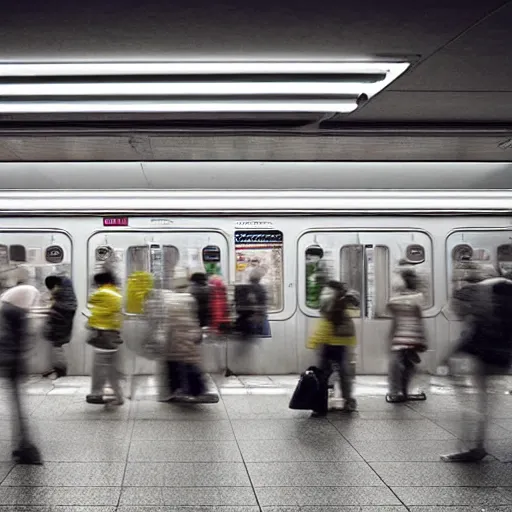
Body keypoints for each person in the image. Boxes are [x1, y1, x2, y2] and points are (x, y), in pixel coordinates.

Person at [441, 263, 512, 462]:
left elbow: (475, 328)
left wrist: (452, 354)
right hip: (503, 355)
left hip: (484, 353)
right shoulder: (504, 289)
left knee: (475, 402)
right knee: (485, 402)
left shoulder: (477, 292)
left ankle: (473, 447)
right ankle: (476, 445)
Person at [0, 266, 42, 464]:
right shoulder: (19, 315)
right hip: (13, 364)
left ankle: (24, 445)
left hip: (9, 363)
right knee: (17, 406)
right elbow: (22, 341)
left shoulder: (7, 313)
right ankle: (25, 446)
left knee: (17, 406)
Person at [307, 280, 359, 416]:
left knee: (323, 374)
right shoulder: (346, 299)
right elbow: (355, 308)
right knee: (344, 374)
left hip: (328, 342)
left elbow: (324, 321)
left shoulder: (329, 298)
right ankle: (348, 401)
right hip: (341, 342)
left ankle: (319, 406)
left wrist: (315, 341)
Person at [162, 267, 206, 401]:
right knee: (190, 364)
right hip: (187, 337)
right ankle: (197, 391)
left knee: (173, 365)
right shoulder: (189, 299)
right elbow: (194, 319)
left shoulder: (168, 299)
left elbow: (166, 321)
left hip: (173, 338)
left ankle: (175, 390)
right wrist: (197, 334)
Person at [386, 268, 427, 403]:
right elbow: (419, 318)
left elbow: (394, 317)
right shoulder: (418, 298)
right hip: (414, 336)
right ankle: (404, 390)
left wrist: (391, 337)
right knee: (408, 365)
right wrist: (423, 337)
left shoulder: (396, 299)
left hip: (400, 337)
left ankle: (396, 391)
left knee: (397, 365)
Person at [85, 268, 124, 406]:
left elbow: (95, 311)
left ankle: (97, 393)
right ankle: (117, 395)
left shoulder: (102, 293)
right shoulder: (116, 293)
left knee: (99, 367)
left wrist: (90, 322)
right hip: (114, 335)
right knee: (111, 368)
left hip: (103, 336)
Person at [42, 274, 77, 379]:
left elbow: (55, 308)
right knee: (56, 346)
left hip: (60, 325)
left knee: (57, 345)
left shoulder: (63, 306)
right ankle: (57, 368)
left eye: (51, 289)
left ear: (56, 286)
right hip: (62, 322)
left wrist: (51, 309)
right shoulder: (66, 292)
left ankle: (60, 370)